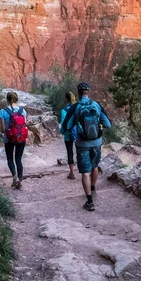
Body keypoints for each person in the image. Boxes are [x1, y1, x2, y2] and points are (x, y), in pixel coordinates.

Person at [62, 82, 111, 211]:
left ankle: (89, 201)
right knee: (94, 166)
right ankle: (93, 188)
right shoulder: (97, 105)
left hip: (82, 144)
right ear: (88, 92)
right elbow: (108, 124)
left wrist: (76, 126)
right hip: (96, 142)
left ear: (78, 93)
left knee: (85, 172)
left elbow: (66, 126)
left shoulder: (75, 107)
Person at [0, 91, 28, 189]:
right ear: (17, 99)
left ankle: (14, 177)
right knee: (18, 159)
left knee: (10, 158)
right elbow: (25, 124)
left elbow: (2, 129)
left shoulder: (3, 111)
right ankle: (20, 179)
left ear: (7, 99)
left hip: (9, 138)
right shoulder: (22, 111)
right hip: (21, 138)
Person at [59, 91, 77, 180]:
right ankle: (84, 172)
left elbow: (63, 124)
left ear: (66, 99)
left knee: (70, 152)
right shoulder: (78, 108)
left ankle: (72, 173)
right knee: (80, 151)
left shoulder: (64, 111)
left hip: (68, 134)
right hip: (79, 133)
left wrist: (62, 132)